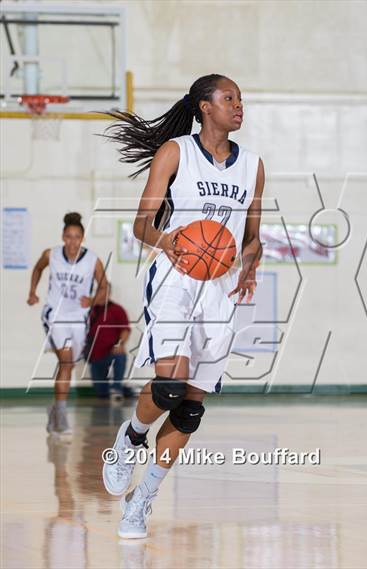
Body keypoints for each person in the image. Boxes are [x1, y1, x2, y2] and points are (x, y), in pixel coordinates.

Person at [102, 74, 264, 539]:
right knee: (169, 386)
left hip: (222, 286)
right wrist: (165, 239)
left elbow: (251, 236)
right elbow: (140, 224)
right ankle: (129, 439)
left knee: (190, 408)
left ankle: (142, 499)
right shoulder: (175, 152)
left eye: (240, 99)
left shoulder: (252, 165)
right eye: (229, 98)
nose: (238, 105)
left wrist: (251, 262)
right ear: (204, 107)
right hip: (176, 274)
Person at [27, 212, 108, 437]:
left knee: (69, 364)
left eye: (77, 237)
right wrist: (32, 292)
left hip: (79, 317)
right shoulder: (51, 255)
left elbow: (105, 287)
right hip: (55, 314)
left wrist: (93, 300)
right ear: (63, 237)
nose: (72, 241)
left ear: (82, 239)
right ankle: (61, 414)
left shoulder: (93, 260)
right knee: (66, 361)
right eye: (69, 236)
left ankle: (55, 410)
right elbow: (37, 269)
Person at [86, 284, 134, 401]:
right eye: (100, 291)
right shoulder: (89, 310)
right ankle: (127, 391)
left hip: (111, 352)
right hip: (95, 356)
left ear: (109, 293)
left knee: (120, 355)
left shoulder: (117, 309)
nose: (102, 294)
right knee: (101, 393)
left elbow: (125, 330)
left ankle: (117, 388)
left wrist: (119, 344)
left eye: (104, 291)